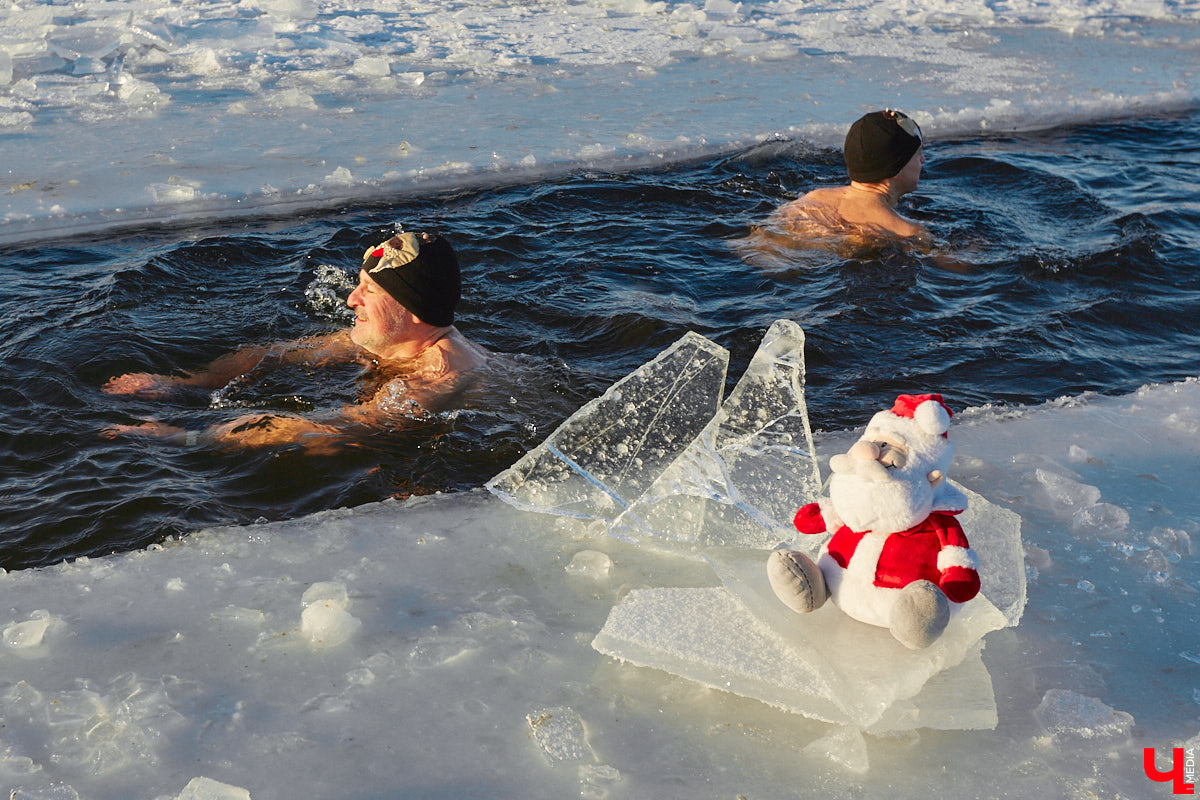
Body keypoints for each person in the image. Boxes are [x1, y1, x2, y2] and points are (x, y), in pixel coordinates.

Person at [103, 230, 489, 454]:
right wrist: (184, 384)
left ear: (414, 311)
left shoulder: (439, 377)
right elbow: (278, 354)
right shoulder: (395, 338)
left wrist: (186, 438)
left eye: (369, 291)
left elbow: (330, 432)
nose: (352, 299)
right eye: (358, 284)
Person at [765, 108, 929, 241]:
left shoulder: (811, 200)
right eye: (918, 154)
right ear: (896, 168)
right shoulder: (907, 231)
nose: (923, 159)